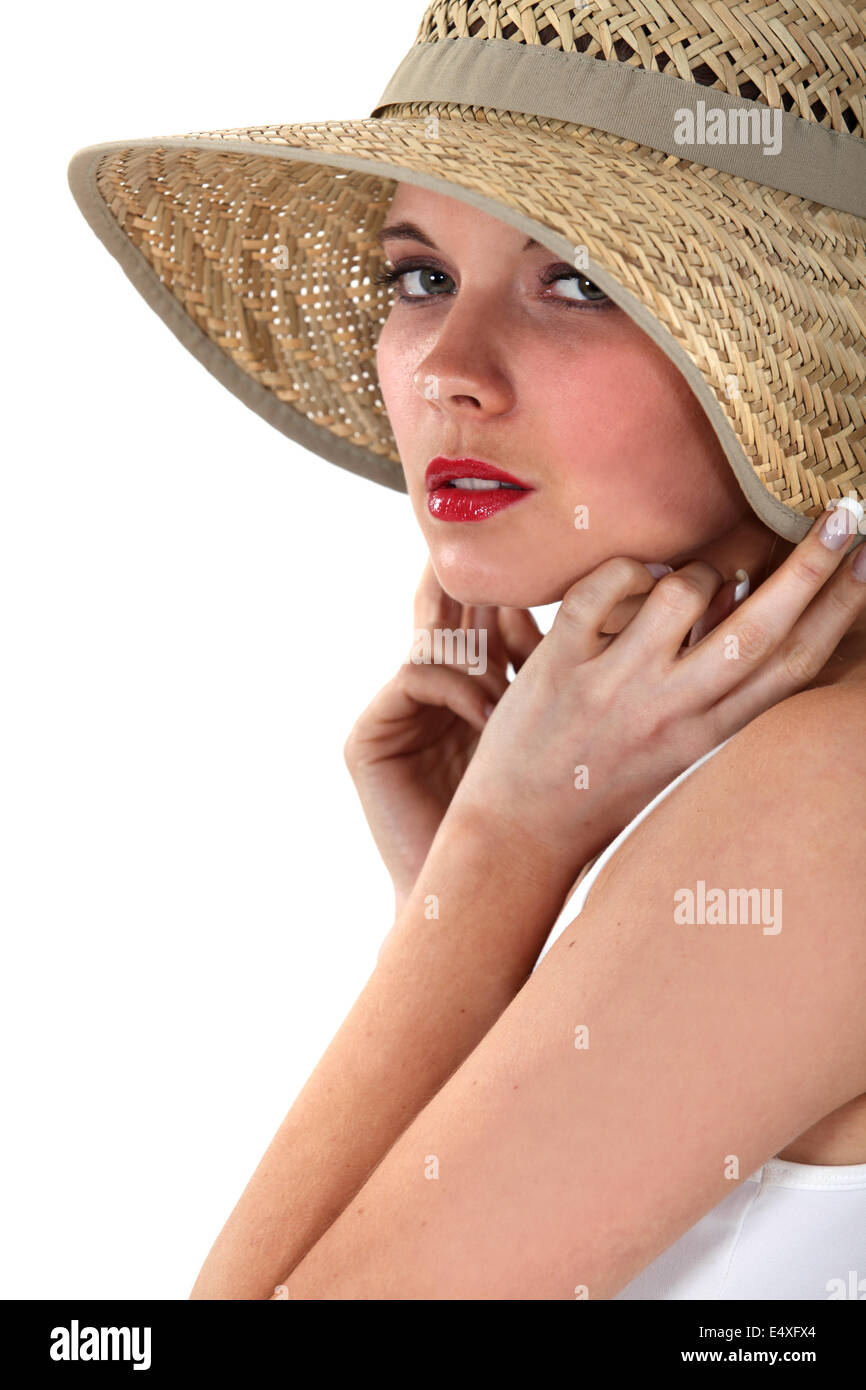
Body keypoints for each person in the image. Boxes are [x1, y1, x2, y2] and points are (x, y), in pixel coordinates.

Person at [67, 0, 866, 1299]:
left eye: (577, 280)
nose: (444, 367)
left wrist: (500, 853)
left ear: (796, 359)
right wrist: (463, 900)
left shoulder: (826, 796)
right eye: (418, 275)